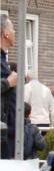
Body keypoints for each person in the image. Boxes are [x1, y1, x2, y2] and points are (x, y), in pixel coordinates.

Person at [1, 16, 17, 158]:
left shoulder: (3, 59)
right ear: (5, 33)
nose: (14, 31)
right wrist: (8, 82)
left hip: (7, 129)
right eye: (12, 28)